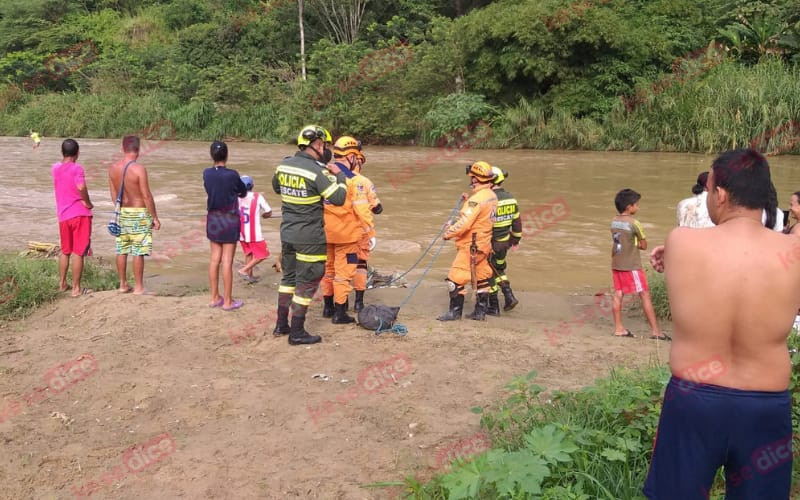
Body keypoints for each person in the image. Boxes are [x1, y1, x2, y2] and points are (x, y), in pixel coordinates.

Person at [646, 149, 799, 499]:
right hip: (764, 407)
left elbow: (713, 264)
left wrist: (670, 253)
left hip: (693, 400)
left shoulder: (681, 242)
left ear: (721, 194)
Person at [271, 125, 347, 344]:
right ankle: (297, 332)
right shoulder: (317, 171)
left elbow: (278, 189)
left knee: (288, 279)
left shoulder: (283, 165)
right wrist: (339, 175)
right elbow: (339, 198)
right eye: (325, 146)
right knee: (307, 283)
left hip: (287, 234)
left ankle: (281, 325)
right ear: (318, 144)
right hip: (310, 238)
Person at [320, 136, 378, 323]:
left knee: (328, 270)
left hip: (325, 233)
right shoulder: (354, 180)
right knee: (343, 274)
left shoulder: (323, 174)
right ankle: (340, 312)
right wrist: (370, 232)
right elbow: (362, 209)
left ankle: (327, 307)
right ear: (352, 156)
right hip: (347, 236)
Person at [437, 161, 498, 321]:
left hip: (471, 246)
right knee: (482, 278)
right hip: (484, 245)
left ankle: (455, 312)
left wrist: (448, 233)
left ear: (476, 179)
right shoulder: (491, 196)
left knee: (454, 279)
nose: (470, 180)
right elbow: (479, 217)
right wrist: (467, 201)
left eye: (472, 177)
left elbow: (465, 223)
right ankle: (480, 312)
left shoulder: (477, 199)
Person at [609, 189, 666, 340]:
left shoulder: (614, 221)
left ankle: (618, 327)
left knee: (618, 293)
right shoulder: (635, 224)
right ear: (629, 207)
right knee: (644, 294)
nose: (638, 208)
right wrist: (635, 242)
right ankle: (656, 331)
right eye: (636, 205)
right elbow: (643, 245)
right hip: (631, 265)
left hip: (616, 262)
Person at [108, 136, 161, 295]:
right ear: (138, 149)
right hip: (139, 213)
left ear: (122, 149)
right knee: (138, 251)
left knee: (122, 249)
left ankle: (123, 284)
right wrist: (155, 217)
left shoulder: (113, 169)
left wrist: (122, 211)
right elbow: (146, 196)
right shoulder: (139, 169)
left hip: (122, 212)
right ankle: (139, 287)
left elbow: (113, 195)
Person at [203, 141, 247, 311]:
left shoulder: (206, 173)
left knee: (215, 259)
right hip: (229, 219)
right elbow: (242, 191)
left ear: (211, 156)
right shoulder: (232, 174)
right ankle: (228, 301)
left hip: (213, 218)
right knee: (227, 261)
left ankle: (215, 297)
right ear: (226, 155)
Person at [51, 139, 94, 296]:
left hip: (63, 215)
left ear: (62, 152)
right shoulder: (77, 168)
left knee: (65, 250)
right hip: (80, 214)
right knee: (78, 252)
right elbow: (81, 186)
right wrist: (88, 202)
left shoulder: (55, 168)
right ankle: (76, 289)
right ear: (78, 153)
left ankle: (62, 284)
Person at [486, 166, 521, 315]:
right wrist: (515, 240)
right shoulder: (511, 198)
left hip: (491, 243)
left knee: (488, 273)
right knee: (499, 268)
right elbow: (517, 223)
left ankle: (493, 306)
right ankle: (509, 295)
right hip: (505, 243)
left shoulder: (489, 199)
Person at [237, 175, 272, 283]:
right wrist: (265, 216)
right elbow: (268, 211)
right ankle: (244, 270)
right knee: (263, 255)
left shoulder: (235, 197)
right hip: (254, 233)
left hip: (241, 232)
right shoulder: (257, 196)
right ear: (252, 186)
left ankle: (249, 276)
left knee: (249, 254)